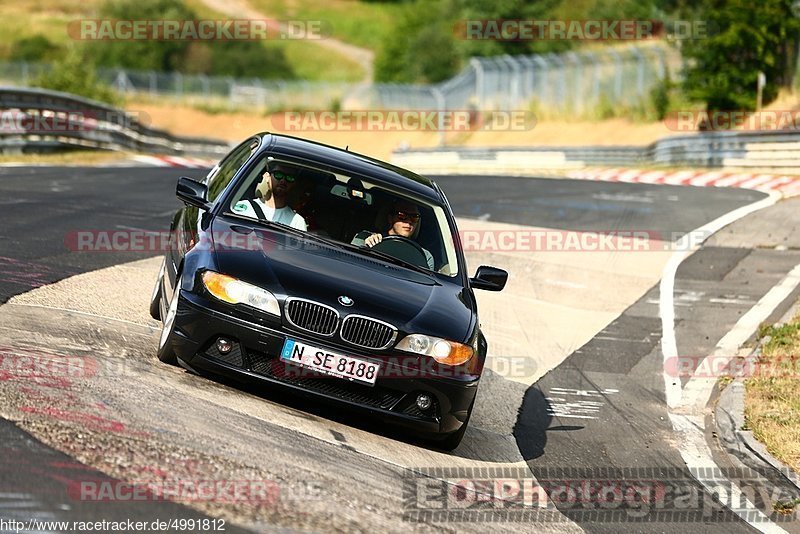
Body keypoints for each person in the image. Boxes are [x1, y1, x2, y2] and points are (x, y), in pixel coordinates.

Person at [354, 199, 434, 270]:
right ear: (390, 218)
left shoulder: (425, 256)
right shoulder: (364, 238)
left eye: (414, 217)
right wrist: (365, 247)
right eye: (402, 215)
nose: (409, 221)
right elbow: (352, 265)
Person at [232, 163, 307, 231]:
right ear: (267, 177)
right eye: (278, 174)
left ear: (293, 184)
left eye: (289, 177)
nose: (283, 180)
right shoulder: (243, 207)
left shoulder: (297, 222)